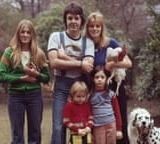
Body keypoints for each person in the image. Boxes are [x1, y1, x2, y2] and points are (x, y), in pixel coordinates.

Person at [47, 2, 95, 144]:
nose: (73, 21)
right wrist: (80, 63)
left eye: (76, 18)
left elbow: (88, 68)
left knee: (85, 125)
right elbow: (54, 63)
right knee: (58, 127)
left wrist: (64, 57)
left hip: (81, 88)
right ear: (65, 20)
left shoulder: (88, 42)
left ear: (81, 21)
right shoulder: (56, 37)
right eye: (70, 18)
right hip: (62, 86)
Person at [0, 19, 50, 144]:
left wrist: (36, 74)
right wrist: (22, 78)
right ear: (18, 34)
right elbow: (1, 76)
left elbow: (47, 78)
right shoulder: (9, 52)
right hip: (16, 97)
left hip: (35, 96)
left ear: (32, 35)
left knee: (35, 133)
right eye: (22, 32)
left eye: (28, 32)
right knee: (17, 134)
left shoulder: (39, 53)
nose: (25, 35)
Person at [84, 12, 132, 144]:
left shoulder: (110, 43)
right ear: (87, 28)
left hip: (113, 88)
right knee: (96, 123)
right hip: (95, 90)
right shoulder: (85, 45)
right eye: (91, 26)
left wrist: (112, 64)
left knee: (119, 120)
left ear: (102, 27)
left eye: (97, 26)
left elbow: (128, 63)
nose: (94, 29)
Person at [89, 65, 123, 144]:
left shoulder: (111, 94)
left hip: (111, 124)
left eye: (102, 77)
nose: (99, 80)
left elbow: (117, 112)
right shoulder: (90, 96)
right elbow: (88, 114)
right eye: (97, 77)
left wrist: (119, 129)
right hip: (98, 126)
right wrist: (90, 131)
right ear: (92, 79)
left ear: (106, 79)